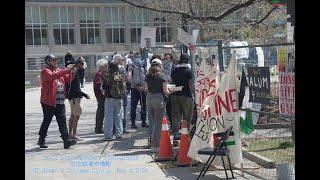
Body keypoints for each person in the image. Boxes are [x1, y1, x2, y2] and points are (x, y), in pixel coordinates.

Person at [38, 54, 77, 149]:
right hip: (48, 102)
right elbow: (52, 77)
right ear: (47, 62)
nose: (55, 62)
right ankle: (41, 139)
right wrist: (67, 69)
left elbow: (68, 78)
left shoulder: (59, 71)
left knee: (62, 121)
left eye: (56, 60)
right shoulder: (45, 71)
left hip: (60, 101)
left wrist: (73, 71)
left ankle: (66, 141)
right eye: (53, 60)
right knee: (47, 121)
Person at [146, 58, 171, 152]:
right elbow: (165, 90)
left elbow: (147, 89)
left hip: (150, 99)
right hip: (159, 99)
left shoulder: (148, 76)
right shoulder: (162, 76)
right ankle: (156, 145)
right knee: (158, 123)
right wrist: (171, 91)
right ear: (160, 66)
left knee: (153, 122)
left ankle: (154, 143)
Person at [66, 57, 90, 140]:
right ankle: (73, 134)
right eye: (82, 64)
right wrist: (85, 94)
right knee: (76, 115)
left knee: (73, 115)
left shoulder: (72, 70)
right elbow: (76, 88)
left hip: (71, 96)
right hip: (74, 97)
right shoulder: (74, 72)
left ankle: (70, 134)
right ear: (78, 64)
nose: (82, 66)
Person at [171, 53, 194, 138]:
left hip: (175, 95)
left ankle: (176, 135)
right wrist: (193, 96)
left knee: (176, 116)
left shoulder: (174, 70)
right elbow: (191, 85)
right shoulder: (188, 71)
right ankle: (186, 135)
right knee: (187, 117)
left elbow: (172, 82)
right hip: (186, 96)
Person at [102, 61, 126, 141]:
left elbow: (104, 87)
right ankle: (119, 134)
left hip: (109, 98)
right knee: (118, 116)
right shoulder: (120, 77)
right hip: (118, 99)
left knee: (109, 117)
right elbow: (124, 87)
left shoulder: (108, 77)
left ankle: (108, 135)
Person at [128, 52, 148, 128]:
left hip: (143, 88)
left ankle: (144, 121)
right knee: (133, 106)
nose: (138, 58)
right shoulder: (131, 66)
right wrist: (136, 87)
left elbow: (146, 76)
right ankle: (133, 122)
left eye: (139, 57)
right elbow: (129, 78)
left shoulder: (143, 65)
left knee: (144, 106)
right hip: (135, 89)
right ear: (133, 58)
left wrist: (145, 85)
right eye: (136, 57)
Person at [112, 54, 130, 133]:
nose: (123, 61)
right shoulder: (121, 68)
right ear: (119, 61)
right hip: (122, 91)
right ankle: (123, 127)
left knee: (114, 111)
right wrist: (129, 71)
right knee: (123, 110)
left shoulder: (110, 68)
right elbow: (126, 79)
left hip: (113, 93)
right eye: (122, 60)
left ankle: (114, 128)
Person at [93, 59, 108, 134]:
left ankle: (99, 127)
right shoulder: (99, 74)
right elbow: (99, 84)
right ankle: (98, 127)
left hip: (100, 95)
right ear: (101, 66)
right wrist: (103, 91)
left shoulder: (101, 74)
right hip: (100, 95)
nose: (106, 67)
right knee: (101, 111)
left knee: (101, 111)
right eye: (105, 66)